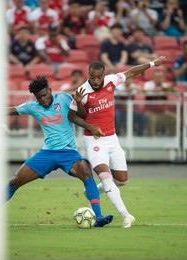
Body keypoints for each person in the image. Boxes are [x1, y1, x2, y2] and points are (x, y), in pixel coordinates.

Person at [0, 76, 113, 227]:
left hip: (68, 153)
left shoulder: (63, 98)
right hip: (47, 153)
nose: (43, 99)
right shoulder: (32, 106)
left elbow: (82, 116)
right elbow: (12, 111)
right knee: (16, 181)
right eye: (39, 97)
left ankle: (98, 216)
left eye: (44, 95)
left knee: (85, 169)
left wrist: (77, 102)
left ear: (50, 91)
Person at [68, 56, 167, 228]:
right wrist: (89, 123)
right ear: (88, 74)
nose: (96, 80)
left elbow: (132, 72)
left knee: (121, 181)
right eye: (92, 77)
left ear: (104, 74)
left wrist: (152, 64)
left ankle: (93, 189)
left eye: (99, 77)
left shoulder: (111, 81)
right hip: (94, 140)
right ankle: (126, 215)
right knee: (106, 177)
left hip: (112, 138)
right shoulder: (82, 91)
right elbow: (73, 116)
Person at [142, 67, 177, 136]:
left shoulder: (165, 86)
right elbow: (144, 91)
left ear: (164, 78)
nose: (159, 79)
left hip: (163, 113)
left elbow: (174, 91)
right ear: (154, 77)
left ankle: (172, 141)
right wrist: (156, 90)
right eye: (157, 77)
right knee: (152, 120)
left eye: (161, 77)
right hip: (150, 112)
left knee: (174, 118)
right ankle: (151, 141)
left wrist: (171, 89)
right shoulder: (149, 84)